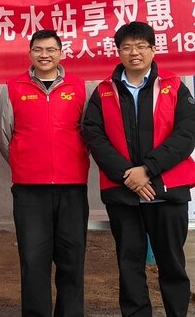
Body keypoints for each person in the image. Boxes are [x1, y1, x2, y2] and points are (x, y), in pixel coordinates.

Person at [83, 21, 195, 317]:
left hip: (167, 192)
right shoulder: (104, 92)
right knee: (129, 265)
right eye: (127, 47)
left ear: (153, 50)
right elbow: (94, 136)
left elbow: (186, 134)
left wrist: (147, 170)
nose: (134, 52)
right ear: (118, 52)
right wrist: (128, 175)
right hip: (123, 195)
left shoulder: (173, 87)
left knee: (172, 264)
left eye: (141, 46)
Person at [0, 30, 89, 316]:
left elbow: (89, 132)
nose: (44, 55)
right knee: (33, 259)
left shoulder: (79, 87)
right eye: (38, 50)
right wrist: (24, 162)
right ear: (30, 53)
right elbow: (3, 134)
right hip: (29, 190)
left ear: (61, 53)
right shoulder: (13, 87)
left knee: (72, 258)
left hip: (72, 187)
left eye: (50, 50)